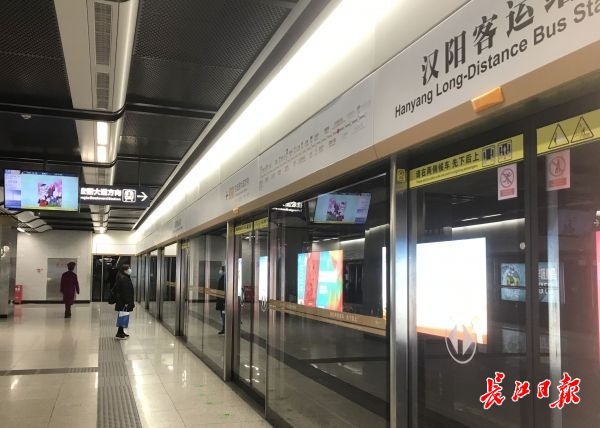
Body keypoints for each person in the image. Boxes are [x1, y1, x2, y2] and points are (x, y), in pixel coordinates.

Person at [113, 264, 135, 340]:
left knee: (123, 316)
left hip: (123, 301)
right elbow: (125, 292)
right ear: (125, 270)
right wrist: (127, 302)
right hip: (124, 302)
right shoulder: (123, 278)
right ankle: (119, 334)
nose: (130, 270)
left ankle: (121, 332)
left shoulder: (123, 277)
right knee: (123, 317)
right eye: (129, 268)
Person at [216, 265, 225, 334]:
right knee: (222, 314)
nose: (220, 271)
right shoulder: (223, 277)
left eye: (221, 269)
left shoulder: (224, 278)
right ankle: (224, 328)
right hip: (221, 299)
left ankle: (224, 328)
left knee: (224, 314)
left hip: (222, 300)